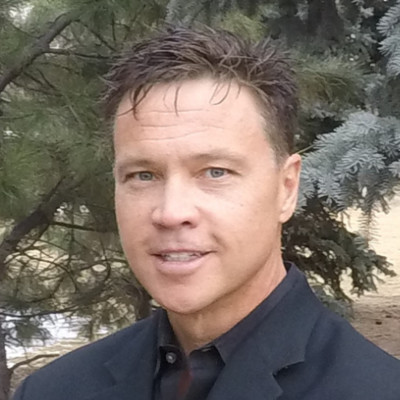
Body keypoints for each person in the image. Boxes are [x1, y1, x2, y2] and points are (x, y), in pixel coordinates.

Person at [13, 26, 400, 400]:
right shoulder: (53, 391)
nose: (171, 212)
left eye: (215, 172)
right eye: (143, 175)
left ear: (286, 188)